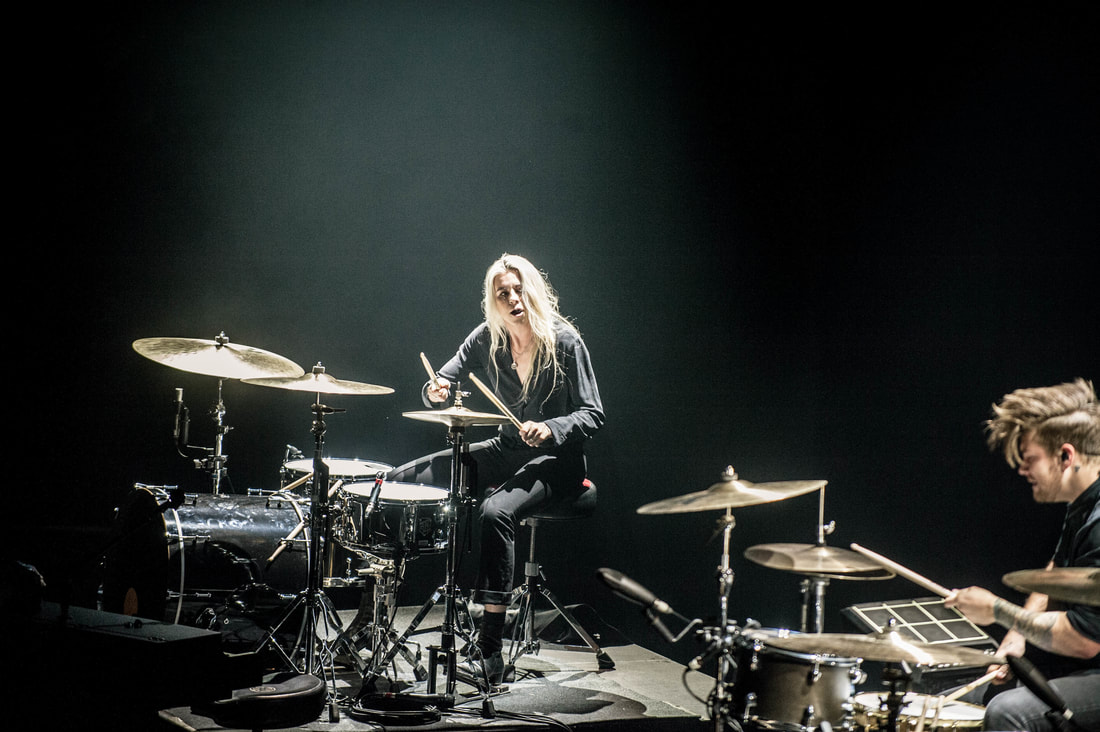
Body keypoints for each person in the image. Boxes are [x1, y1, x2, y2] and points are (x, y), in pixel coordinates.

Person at [388, 253, 604, 686]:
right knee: (404, 481)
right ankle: (376, 613)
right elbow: (441, 381)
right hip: (509, 448)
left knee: (494, 511)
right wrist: (435, 390)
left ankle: (490, 647)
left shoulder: (565, 341)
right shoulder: (488, 337)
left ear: (533, 291)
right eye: (502, 293)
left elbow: (592, 413)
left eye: (518, 289)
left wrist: (551, 428)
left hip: (557, 459)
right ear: (494, 301)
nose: (512, 298)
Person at [945, 378, 1099, 732]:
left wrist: (997, 610)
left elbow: (1084, 640)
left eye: (1030, 460)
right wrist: (1016, 636)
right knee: (955, 700)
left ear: (1066, 456)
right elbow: (1057, 573)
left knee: (1007, 712)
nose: (1022, 470)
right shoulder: (1081, 504)